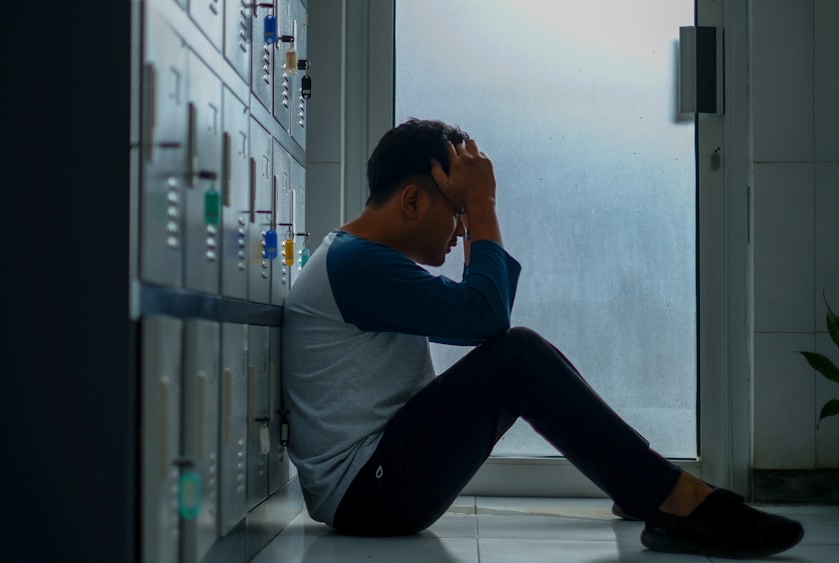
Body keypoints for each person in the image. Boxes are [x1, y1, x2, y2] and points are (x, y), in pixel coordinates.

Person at [280, 118, 803, 558]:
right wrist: (484, 202)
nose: (462, 229)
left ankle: (641, 486)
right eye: (457, 211)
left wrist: (474, 214)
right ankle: (671, 500)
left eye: (466, 215)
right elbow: (488, 319)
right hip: (369, 494)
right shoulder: (357, 265)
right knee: (515, 357)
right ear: (413, 200)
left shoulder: (358, 258)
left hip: (372, 485)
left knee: (516, 355)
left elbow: (480, 311)